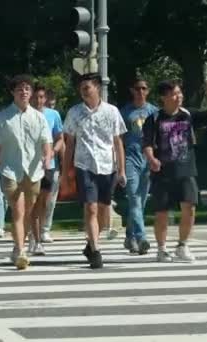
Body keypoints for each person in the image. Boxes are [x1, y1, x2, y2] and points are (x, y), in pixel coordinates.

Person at [142, 79, 207, 262]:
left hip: (186, 170)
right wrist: (152, 159)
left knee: (189, 208)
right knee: (161, 213)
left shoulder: (187, 115)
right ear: (164, 97)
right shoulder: (154, 118)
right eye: (174, 94)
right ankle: (161, 249)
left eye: (180, 93)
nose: (179, 97)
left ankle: (183, 245)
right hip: (162, 172)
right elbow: (147, 144)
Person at [62, 73, 127, 269]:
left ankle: (90, 244)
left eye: (87, 87)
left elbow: (117, 142)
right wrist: (66, 172)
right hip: (85, 165)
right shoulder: (74, 113)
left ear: (97, 88)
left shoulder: (112, 111)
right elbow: (70, 144)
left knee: (102, 209)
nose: (83, 91)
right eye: (81, 88)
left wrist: (122, 170)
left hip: (107, 165)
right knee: (90, 208)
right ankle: (96, 251)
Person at [0, 74, 52, 270]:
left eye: (26, 89)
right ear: (12, 93)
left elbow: (46, 142)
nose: (23, 92)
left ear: (31, 92)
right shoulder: (3, 116)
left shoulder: (39, 117)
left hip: (34, 171)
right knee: (18, 209)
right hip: (10, 169)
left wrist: (47, 157)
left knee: (28, 212)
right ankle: (21, 250)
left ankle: (17, 247)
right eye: (19, 89)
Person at [120, 76, 158, 254]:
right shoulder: (125, 112)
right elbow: (118, 139)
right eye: (137, 88)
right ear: (132, 91)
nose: (140, 92)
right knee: (134, 199)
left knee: (141, 202)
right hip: (130, 158)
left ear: (147, 91)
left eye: (143, 88)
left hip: (147, 160)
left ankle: (130, 236)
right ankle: (142, 237)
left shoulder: (154, 112)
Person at [30, 84, 63, 252]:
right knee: (32, 202)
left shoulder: (53, 115)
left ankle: (42, 231)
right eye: (36, 97)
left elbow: (60, 138)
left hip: (48, 165)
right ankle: (34, 237)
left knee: (44, 202)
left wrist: (53, 153)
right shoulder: (26, 114)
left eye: (41, 97)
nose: (39, 100)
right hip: (29, 165)